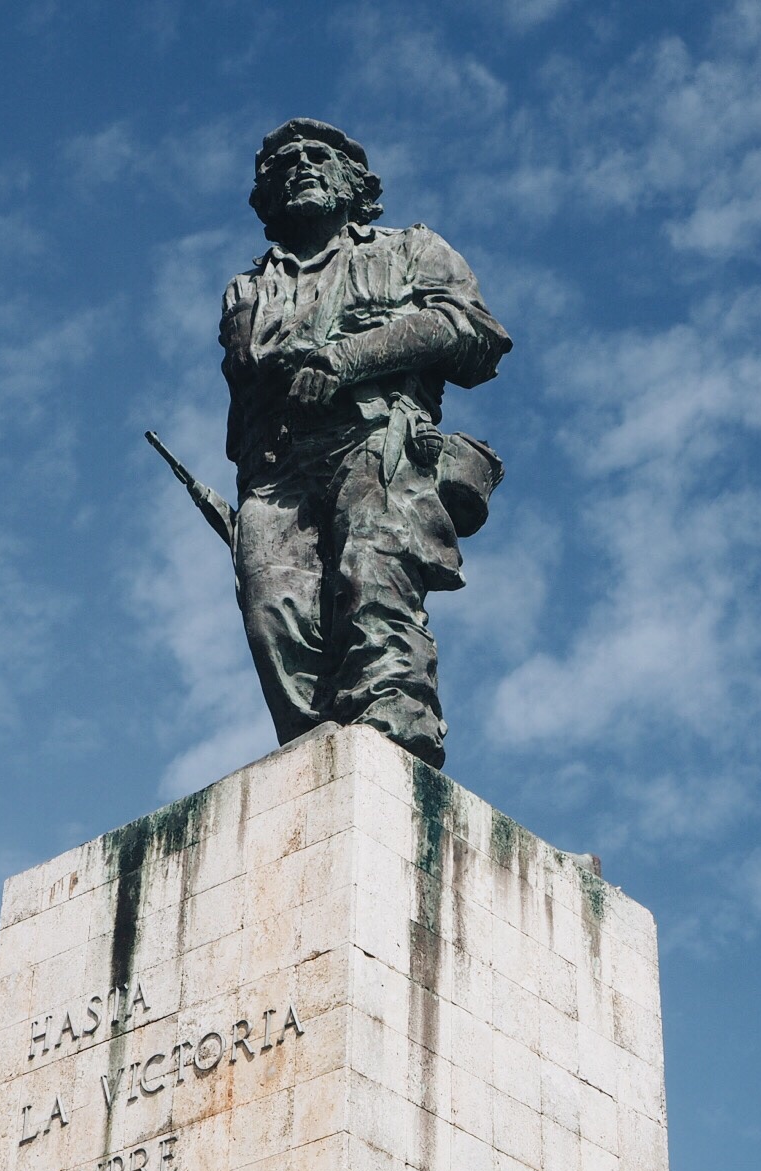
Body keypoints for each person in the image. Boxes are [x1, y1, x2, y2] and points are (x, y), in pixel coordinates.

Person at [220, 118, 512, 769]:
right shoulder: (250, 288)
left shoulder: (410, 250)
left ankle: (392, 734)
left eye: (317, 156)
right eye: (282, 164)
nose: (299, 166)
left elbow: (472, 333)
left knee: (375, 585)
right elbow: (257, 354)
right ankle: (319, 762)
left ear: (356, 183)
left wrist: (348, 359)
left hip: (379, 447)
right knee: (276, 620)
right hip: (278, 473)